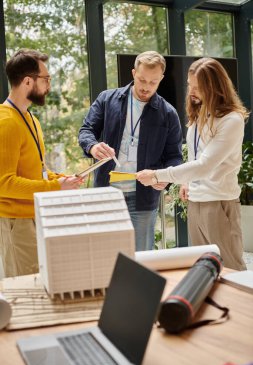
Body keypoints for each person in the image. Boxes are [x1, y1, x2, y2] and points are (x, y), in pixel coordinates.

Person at [136, 57, 249, 270]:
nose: (192, 91)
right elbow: (196, 156)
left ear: (215, 87)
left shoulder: (231, 120)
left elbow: (205, 165)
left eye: (198, 87)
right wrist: (186, 182)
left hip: (219, 202)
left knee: (231, 268)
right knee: (205, 269)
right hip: (196, 201)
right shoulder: (201, 113)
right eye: (190, 85)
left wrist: (158, 175)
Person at [78, 51, 182, 251]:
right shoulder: (107, 99)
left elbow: (175, 156)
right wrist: (92, 146)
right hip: (106, 193)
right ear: (134, 73)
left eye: (153, 82)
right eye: (142, 79)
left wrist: (166, 176)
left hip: (143, 198)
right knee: (104, 255)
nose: (146, 87)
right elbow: (86, 130)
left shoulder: (168, 113)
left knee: (141, 258)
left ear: (161, 79)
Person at [0, 49, 83, 277]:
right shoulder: (6, 122)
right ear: (28, 81)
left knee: (41, 281)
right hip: (17, 223)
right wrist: (56, 187)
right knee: (26, 288)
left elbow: (37, 171)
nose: (49, 85)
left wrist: (62, 179)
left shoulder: (30, 119)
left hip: (35, 216)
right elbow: (4, 183)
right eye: (46, 79)